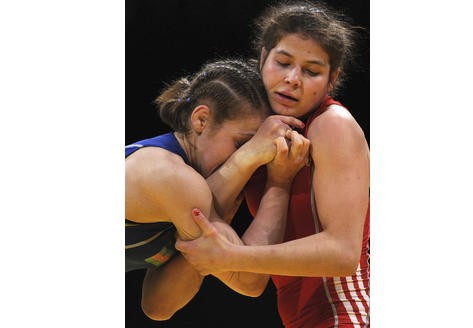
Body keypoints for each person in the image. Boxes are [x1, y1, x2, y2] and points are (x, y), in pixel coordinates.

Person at [176, 1, 370, 327]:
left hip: (347, 312)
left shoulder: (332, 124)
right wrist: (249, 154)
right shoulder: (252, 124)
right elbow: (199, 207)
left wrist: (232, 257)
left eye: (311, 71)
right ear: (262, 58)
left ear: (332, 79)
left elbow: (343, 254)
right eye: (283, 63)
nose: (293, 79)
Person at [125, 58, 310, 320]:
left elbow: (158, 307)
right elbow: (250, 280)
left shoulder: (190, 190)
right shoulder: (168, 175)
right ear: (201, 120)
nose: (261, 156)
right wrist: (276, 181)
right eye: (243, 142)